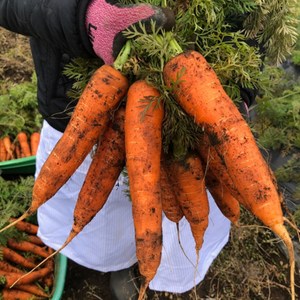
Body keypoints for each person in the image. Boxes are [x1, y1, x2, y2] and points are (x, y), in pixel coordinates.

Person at [0, 1, 249, 299]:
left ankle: (168, 264)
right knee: (109, 209)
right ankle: (124, 263)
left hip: (201, 113)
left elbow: (257, 17)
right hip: (84, 113)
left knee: (182, 200)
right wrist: (83, 18)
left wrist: (241, 92)